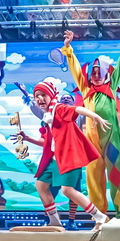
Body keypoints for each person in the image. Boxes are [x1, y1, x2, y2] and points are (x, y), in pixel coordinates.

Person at [61, 24, 120, 219]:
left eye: (99, 72)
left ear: (106, 74)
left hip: (111, 140)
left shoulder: (111, 87)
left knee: (117, 175)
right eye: (93, 73)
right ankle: (99, 216)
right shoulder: (86, 90)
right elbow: (76, 70)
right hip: (92, 142)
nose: (95, 75)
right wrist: (68, 49)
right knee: (93, 178)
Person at [18, 80, 111, 230]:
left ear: (51, 96)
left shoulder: (59, 109)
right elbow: (47, 142)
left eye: (43, 95)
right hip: (55, 159)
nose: (40, 99)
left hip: (69, 156)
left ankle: (100, 217)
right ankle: (54, 221)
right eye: (37, 96)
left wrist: (95, 116)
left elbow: (77, 109)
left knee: (67, 190)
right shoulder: (47, 116)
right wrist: (28, 138)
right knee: (41, 185)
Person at [14, 82, 83, 229]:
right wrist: (26, 93)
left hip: (72, 159)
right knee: (48, 189)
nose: (66, 99)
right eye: (63, 98)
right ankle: (50, 219)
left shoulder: (78, 117)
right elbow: (38, 108)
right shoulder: (51, 115)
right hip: (55, 158)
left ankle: (72, 221)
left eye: (69, 98)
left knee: (73, 191)